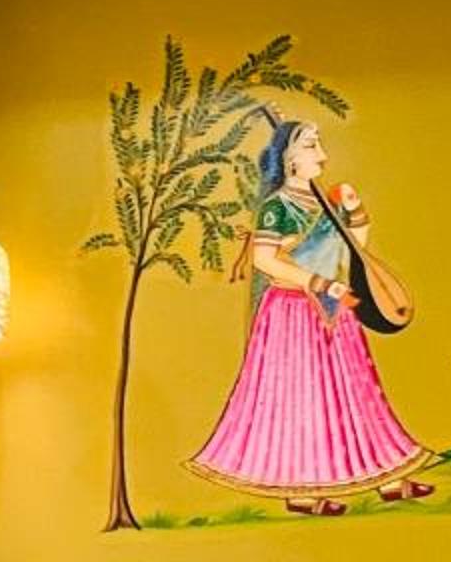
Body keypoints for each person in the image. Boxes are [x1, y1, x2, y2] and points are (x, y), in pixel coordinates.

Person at [187, 119, 436, 515]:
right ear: (289, 159)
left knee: (357, 393)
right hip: (291, 314)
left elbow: (353, 250)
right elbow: (265, 260)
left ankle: (387, 477)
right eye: (310, 146)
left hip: (336, 309)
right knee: (300, 400)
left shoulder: (323, 202)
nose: (321, 154)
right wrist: (318, 283)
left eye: (319, 144)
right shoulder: (277, 209)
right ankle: (302, 492)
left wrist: (355, 211)